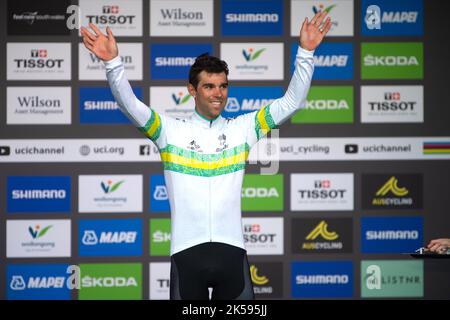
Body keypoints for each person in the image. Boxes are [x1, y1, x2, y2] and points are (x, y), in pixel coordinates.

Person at [80, 11, 331, 300]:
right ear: (192, 90)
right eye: (209, 86)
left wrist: (306, 53)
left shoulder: (244, 128)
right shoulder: (168, 131)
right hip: (187, 255)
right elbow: (130, 105)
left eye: (223, 86)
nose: (218, 93)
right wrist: (112, 63)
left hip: (232, 253)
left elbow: (293, 102)